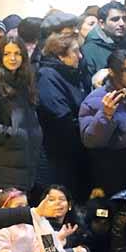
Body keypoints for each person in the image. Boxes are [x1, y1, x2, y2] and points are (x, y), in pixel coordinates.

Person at [0, 38, 42, 192]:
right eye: (7, 54)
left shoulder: (24, 83)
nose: (12, 58)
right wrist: (12, 135)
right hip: (3, 159)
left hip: (25, 157)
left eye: (17, 53)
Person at [36, 33, 90, 199]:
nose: (80, 56)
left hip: (72, 151)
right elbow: (60, 116)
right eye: (75, 51)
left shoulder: (72, 74)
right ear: (60, 55)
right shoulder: (47, 76)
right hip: (57, 153)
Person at [79, 49, 126, 197]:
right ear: (112, 72)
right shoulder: (95, 100)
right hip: (114, 172)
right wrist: (105, 115)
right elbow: (90, 141)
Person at [81, 1, 126, 79]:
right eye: (115, 19)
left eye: (124, 18)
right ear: (102, 23)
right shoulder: (89, 50)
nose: (122, 23)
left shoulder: (125, 42)